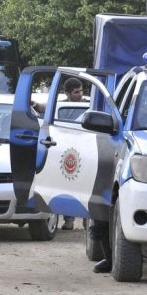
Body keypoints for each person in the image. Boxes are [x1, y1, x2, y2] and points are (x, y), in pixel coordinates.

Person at [60, 77, 83, 231]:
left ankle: (89, 220)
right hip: (66, 153)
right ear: (67, 94)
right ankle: (69, 220)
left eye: (81, 90)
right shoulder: (62, 108)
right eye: (76, 92)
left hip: (85, 152)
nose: (80, 94)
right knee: (67, 187)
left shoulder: (88, 106)